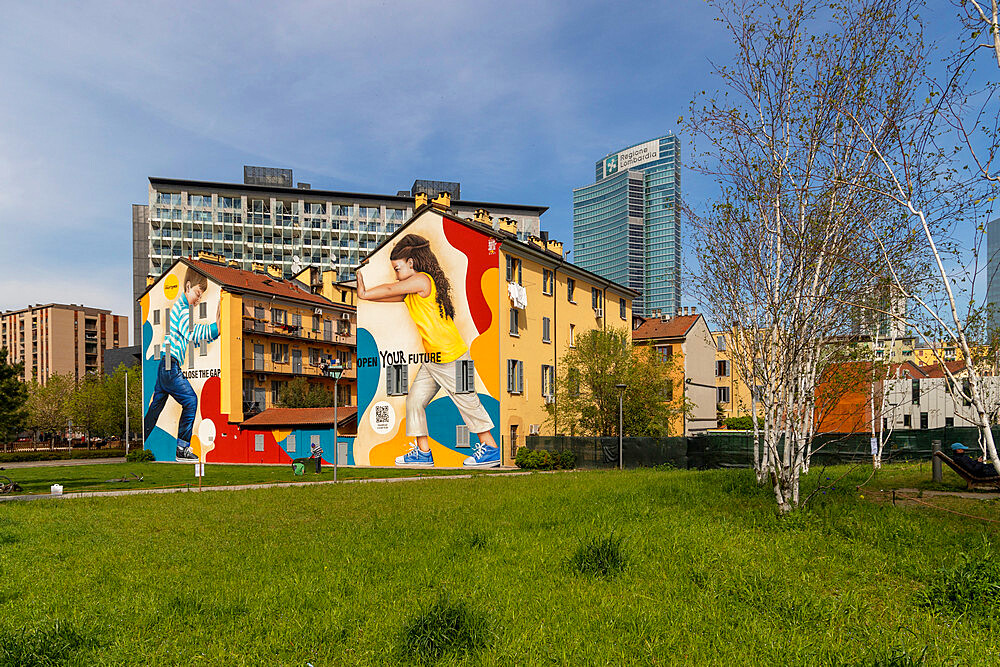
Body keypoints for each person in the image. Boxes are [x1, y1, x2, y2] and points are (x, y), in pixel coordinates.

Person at [357, 233, 500, 468]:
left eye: (398, 268)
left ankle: (491, 449)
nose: (396, 273)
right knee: (414, 401)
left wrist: (364, 291)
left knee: (468, 402)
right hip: (433, 359)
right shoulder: (412, 290)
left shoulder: (422, 280)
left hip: (453, 356)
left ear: (411, 263)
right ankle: (423, 453)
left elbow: (392, 287)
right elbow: (391, 294)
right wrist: (365, 292)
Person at [143, 268, 220, 461]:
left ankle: (142, 441)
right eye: (197, 293)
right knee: (191, 401)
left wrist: (213, 333)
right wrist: (215, 328)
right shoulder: (181, 308)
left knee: (155, 408)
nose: (199, 299)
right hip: (170, 364)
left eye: (201, 295)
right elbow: (192, 334)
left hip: (165, 363)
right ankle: (182, 448)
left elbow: (191, 338)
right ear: (187, 287)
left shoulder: (181, 310)